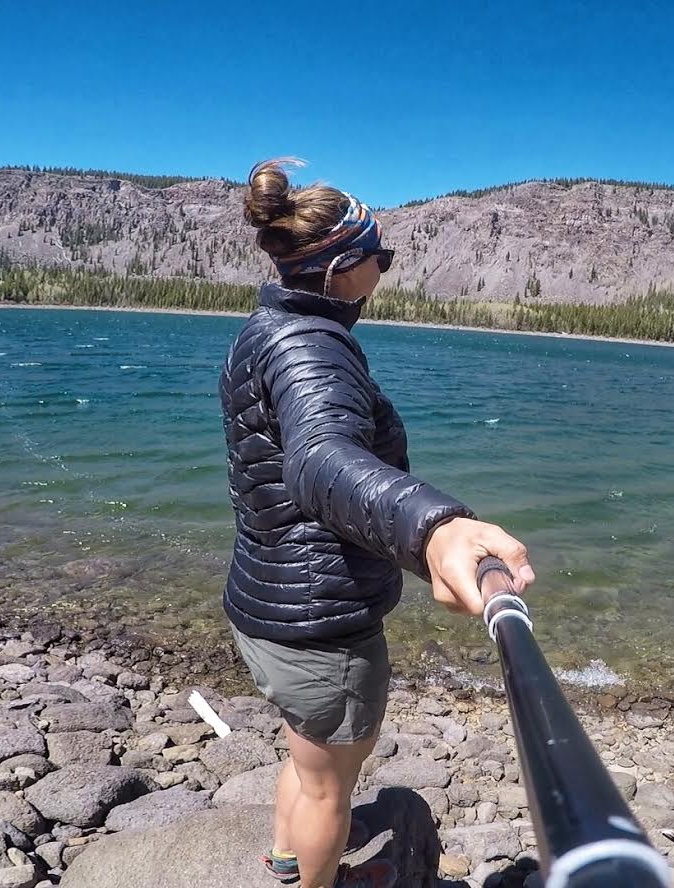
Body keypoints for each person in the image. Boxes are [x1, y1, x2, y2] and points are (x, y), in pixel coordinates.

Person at [218, 158, 536, 888]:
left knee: (308, 753)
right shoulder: (310, 345)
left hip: (267, 601)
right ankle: (316, 881)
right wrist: (436, 530)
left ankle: (286, 860)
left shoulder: (266, 328)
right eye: (379, 259)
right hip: (322, 620)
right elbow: (321, 460)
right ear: (338, 269)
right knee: (331, 782)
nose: (385, 272)